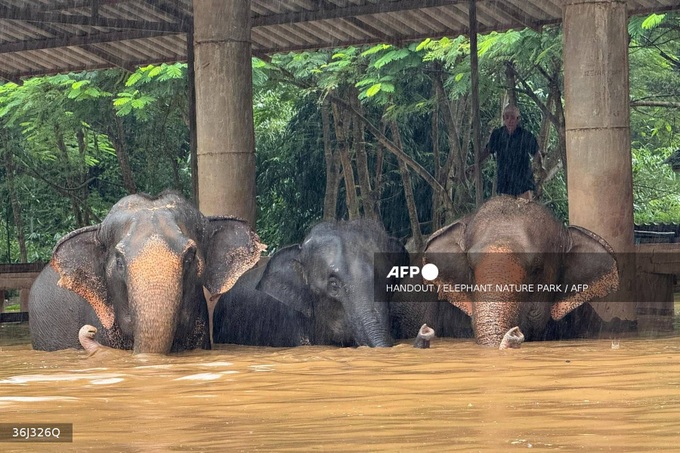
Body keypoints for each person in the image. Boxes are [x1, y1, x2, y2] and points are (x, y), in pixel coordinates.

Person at [482, 104, 543, 200]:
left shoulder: (526, 136)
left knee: (525, 210)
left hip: (523, 181)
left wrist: (539, 168)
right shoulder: (497, 135)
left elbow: (536, 153)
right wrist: (477, 163)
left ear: (518, 119)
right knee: (508, 211)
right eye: (507, 117)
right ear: (503, 118)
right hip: (505, 181)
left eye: (513, 117)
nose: (510, 120)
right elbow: (488, 150)